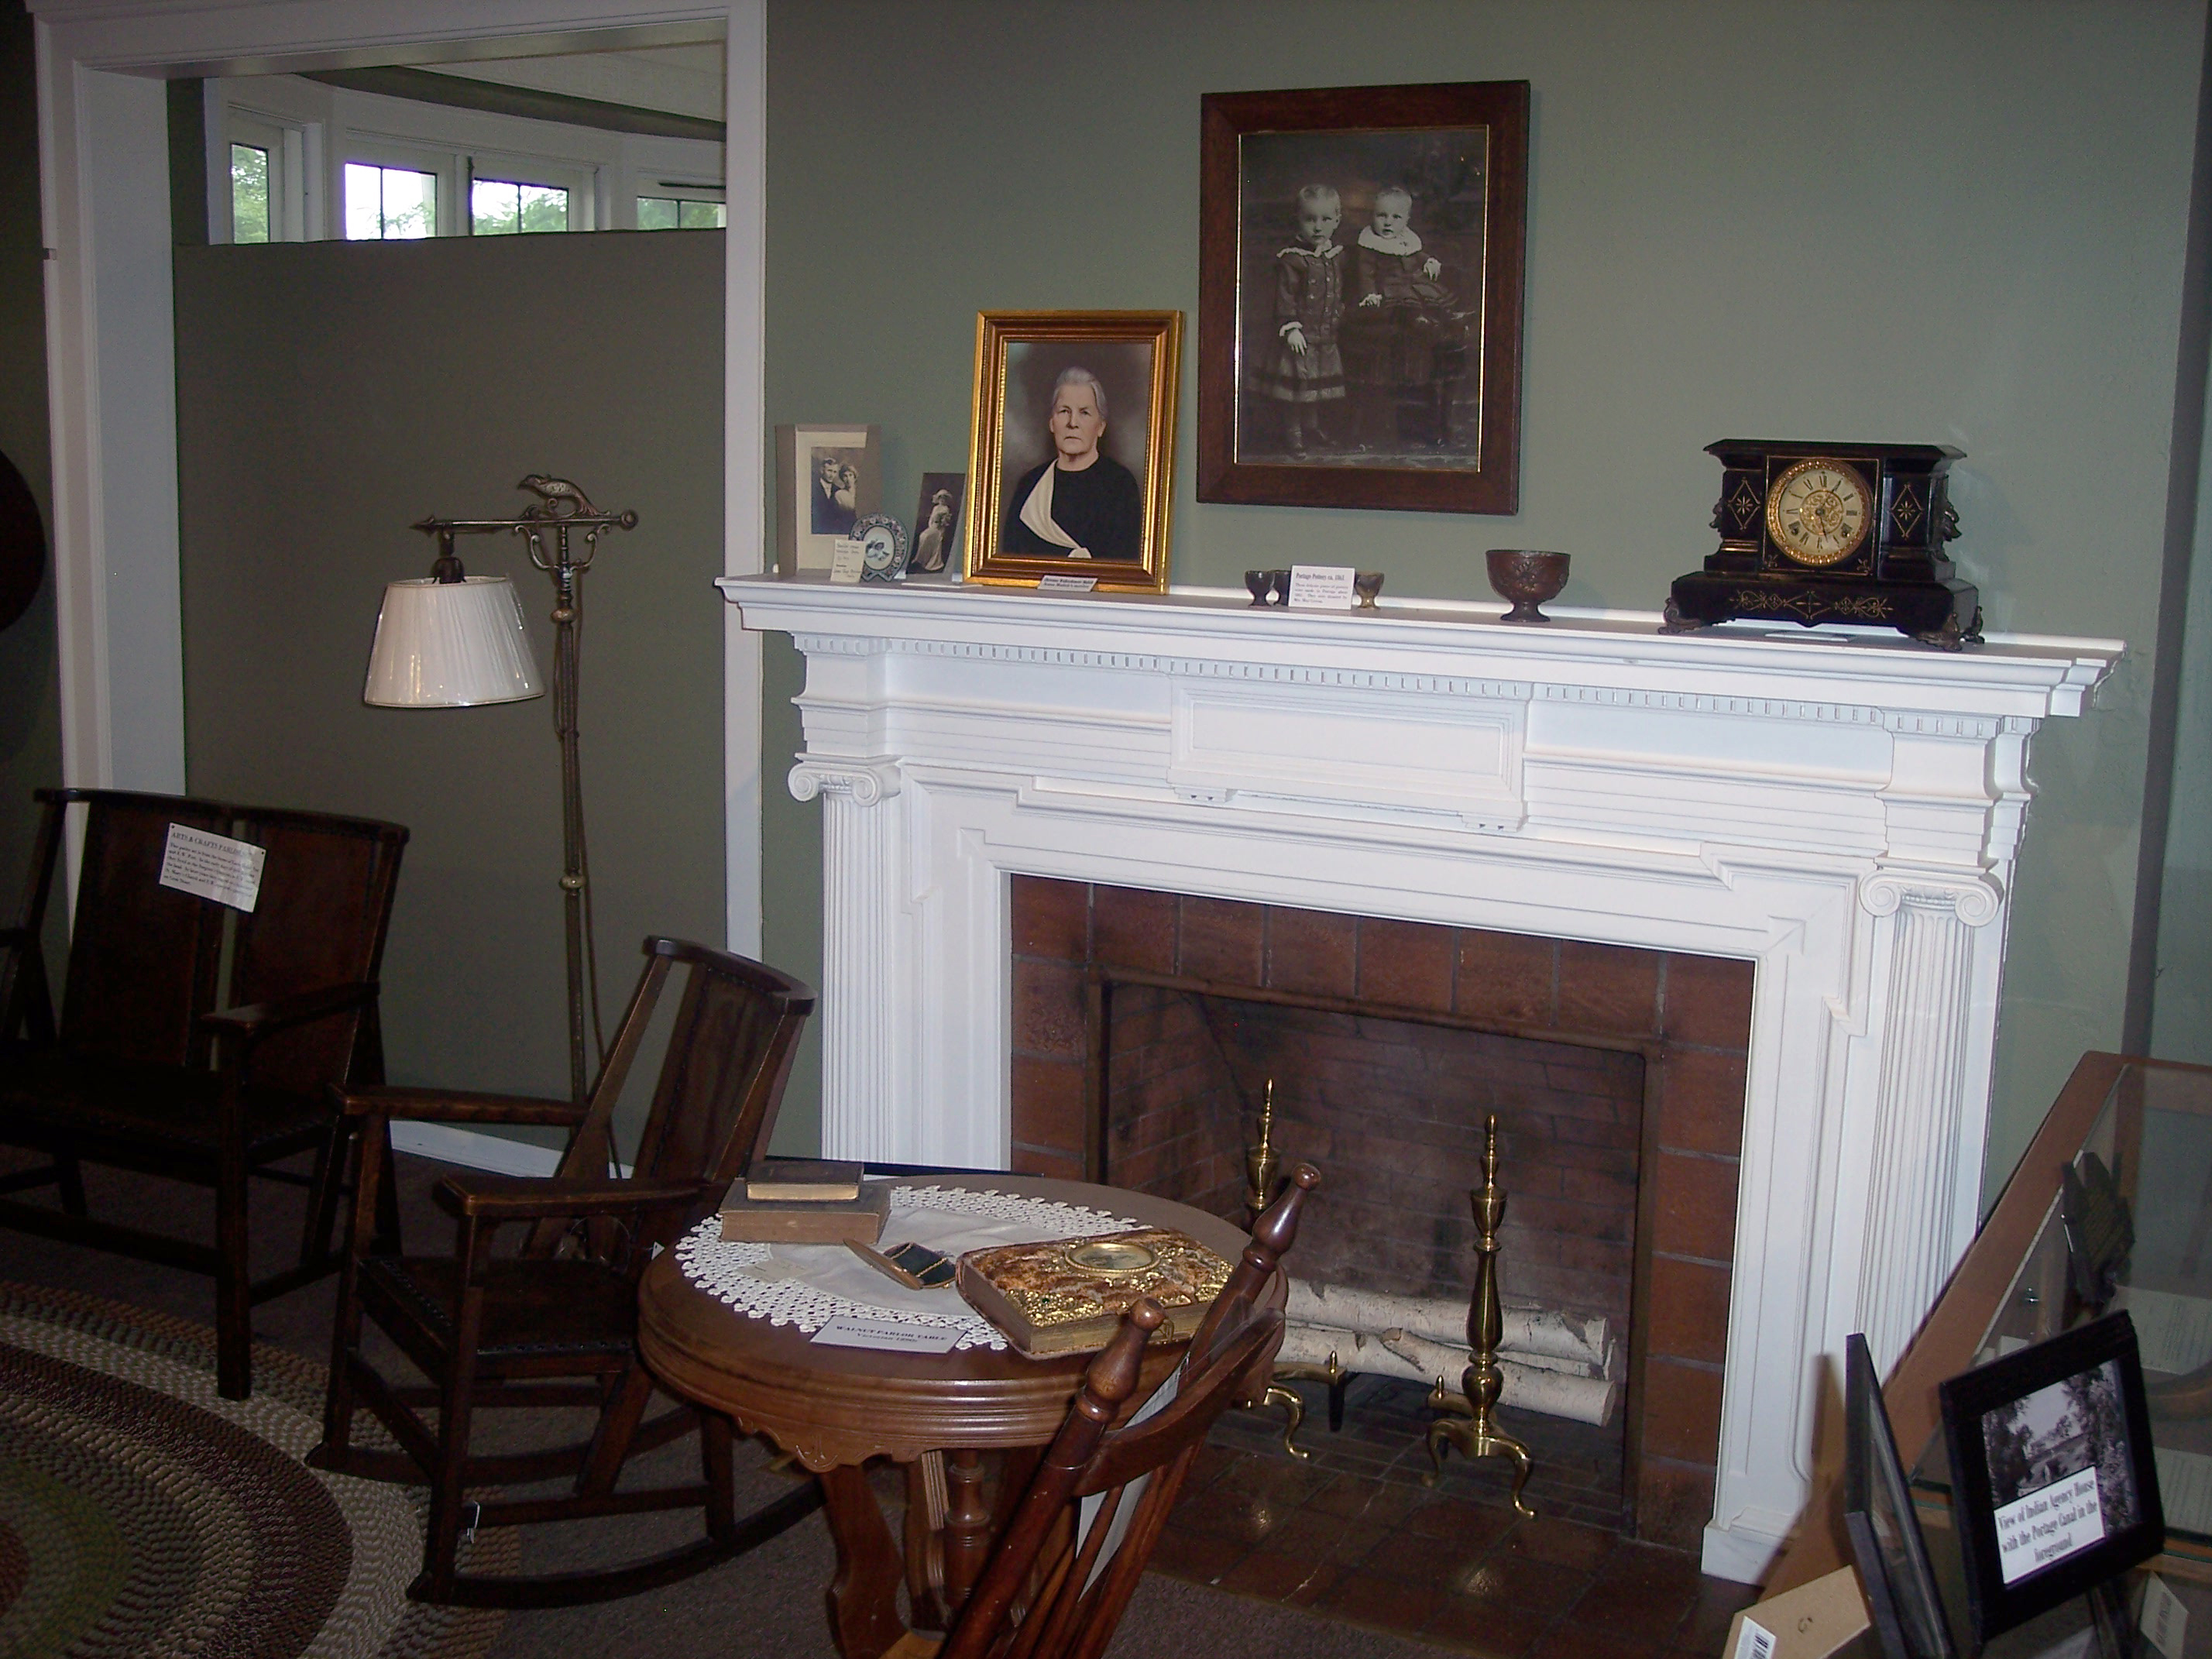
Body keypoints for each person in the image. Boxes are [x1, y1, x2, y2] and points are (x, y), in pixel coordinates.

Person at [1344, 185, 1469, 449]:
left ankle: (1446, 317)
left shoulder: (1406, 240)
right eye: (1381, 215)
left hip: (1413, 285)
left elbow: (1416, 255)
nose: (1388, 222)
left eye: (1396, 217)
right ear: (1372, 215)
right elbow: (1365, 273)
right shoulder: (1369, 245)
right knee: (1405, 306)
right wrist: (1369, 294)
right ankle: (1418, 320)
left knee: (1432, 298)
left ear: (1407, 220)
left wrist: (1429, 261)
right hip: (1388, 292)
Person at [1001, 367, 1142, 560]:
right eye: (1064, 411)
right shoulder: (1029, 486)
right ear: (1052, 423)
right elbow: (1011, 562)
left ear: (1101, 427)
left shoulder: (1120, 485)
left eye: (1084, 413)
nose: (1072, 423)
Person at [1257, 184, 1347, 455]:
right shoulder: (1292, 259)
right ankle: (1293, 431)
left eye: (1325, 219)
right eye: (1310, 219)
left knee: (1315, 386)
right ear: (1298, 218)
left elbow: (1341, 289)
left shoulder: (1336, 255)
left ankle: (1311, 426)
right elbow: (1284, 296)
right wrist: (1291, 328)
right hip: (1300, 336)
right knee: (1297, 389)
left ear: (1337, 220)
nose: (1318, 227)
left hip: (1325, 333)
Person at [810, 452, 857, 536]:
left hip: (834, 532)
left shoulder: (838, 491)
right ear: (822, 470)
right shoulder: (812, 488)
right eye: (829, 471)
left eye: (835, 472)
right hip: (816, 532)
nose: (832, 475)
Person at [914, 489, 956, 572]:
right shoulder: (935, 508)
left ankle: (930, 561)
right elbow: (931, 519)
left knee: (927, 537)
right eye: (940, 498)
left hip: (939, 529)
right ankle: (921, 559)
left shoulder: (946, 509)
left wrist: (941, 524)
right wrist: (931, 527)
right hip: (932, 527)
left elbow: (944, 523)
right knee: (922, 536)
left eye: (944, 499)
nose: (942, 500)